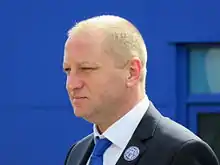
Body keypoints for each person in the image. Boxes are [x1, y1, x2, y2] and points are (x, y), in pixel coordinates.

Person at [63, 15, 219, 165]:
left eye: (86, 68)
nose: (72, 84)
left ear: (132, 72)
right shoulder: (78, 153)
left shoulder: (181, 152)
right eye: (68, 70)